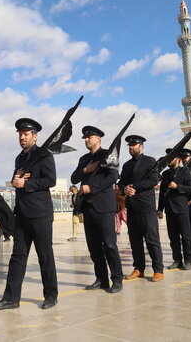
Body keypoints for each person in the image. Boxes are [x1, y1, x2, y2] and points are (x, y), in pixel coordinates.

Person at [0, 118, 58, 311]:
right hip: (22, 214)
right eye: (20, 134)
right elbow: (15, 180)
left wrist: (27, 183)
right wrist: (17, 180)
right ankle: (11, 298)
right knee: (17, 257)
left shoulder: (44, 155)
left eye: (26, 134)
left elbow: (50, 180)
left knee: (45, 256)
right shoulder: (20, 158)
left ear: (34, 137)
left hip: (40, 214)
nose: (22, 137)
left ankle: (51, 295)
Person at [71, 125, 123, 294]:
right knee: (94, 247)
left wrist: (91, 188)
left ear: (98, 139)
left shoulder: (107, 156)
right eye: (85, 138)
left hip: (104, 207)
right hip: (88, 207)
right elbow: (74, 177)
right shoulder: (84, 159)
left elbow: (113, 177)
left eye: (90, 137)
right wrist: (86, 170)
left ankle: (117, 279)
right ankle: (101, 279)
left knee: (109, 245)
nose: (87, 140)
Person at [118, 135, 164, 280]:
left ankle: (158, 270)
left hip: (146, 207)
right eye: (130, 146)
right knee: (135, 240)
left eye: (134, 145)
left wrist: (135, 187)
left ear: (141, 146)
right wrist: (125, 189)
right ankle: (139, 268)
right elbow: (121, 182)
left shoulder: (149, 161)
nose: (131, 147)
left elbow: (153, 180)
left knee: (151, 239)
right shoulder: (126, 165)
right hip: (131, 207)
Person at [158, 149, 191, 269]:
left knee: (186, 236)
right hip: (169, 209)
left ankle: (189, 260)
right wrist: (160, 209)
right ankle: (177, 260)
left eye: (171, 158)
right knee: (173, 237)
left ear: (178, 159)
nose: (168, 160)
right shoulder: (166, 174)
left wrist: (177, 187)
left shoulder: (185, 172)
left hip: (181, 209)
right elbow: (162, 193)